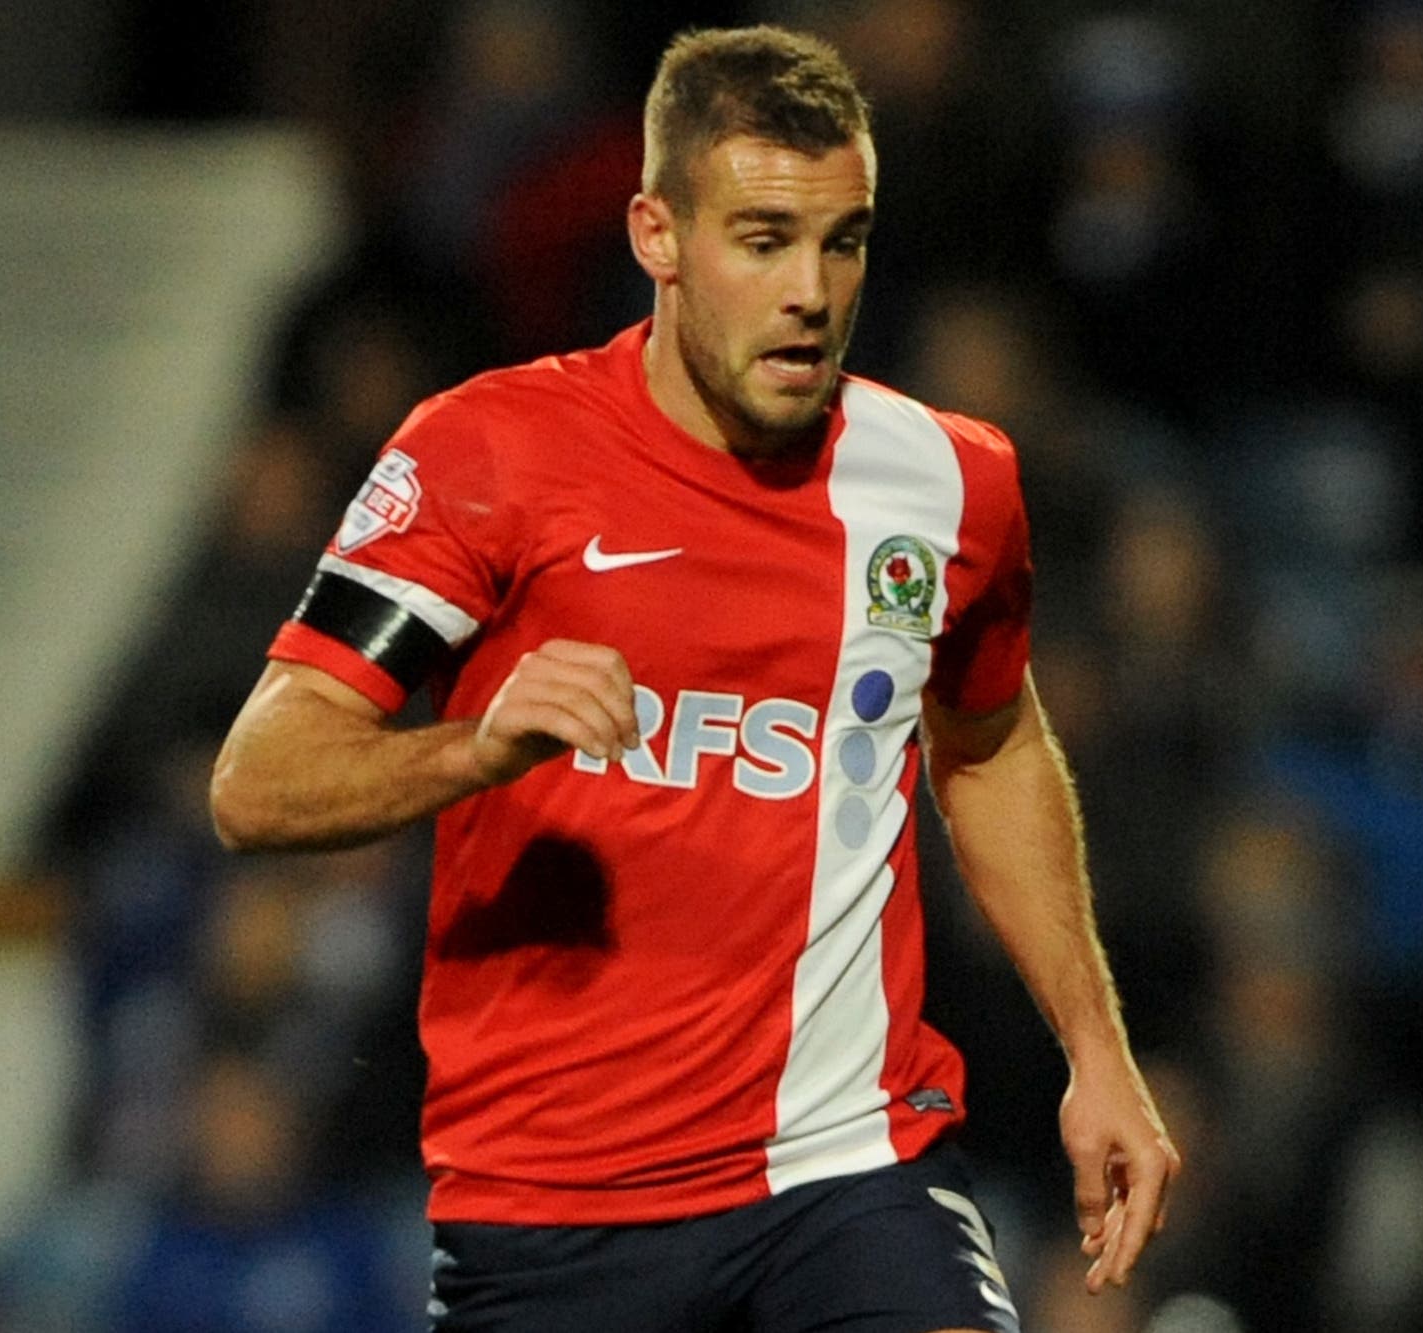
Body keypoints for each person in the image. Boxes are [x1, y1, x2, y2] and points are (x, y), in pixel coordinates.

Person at [211, 25, 1177, 1333]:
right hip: (555, 1206)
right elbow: (257, 781)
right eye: (764, 239)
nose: (812, 291)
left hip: (846, 1169)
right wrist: (474, 749)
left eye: (842, 241)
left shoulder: (949, 483)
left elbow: (991, 743)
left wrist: (1096, 1051)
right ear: (656, 235)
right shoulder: (487, 455)